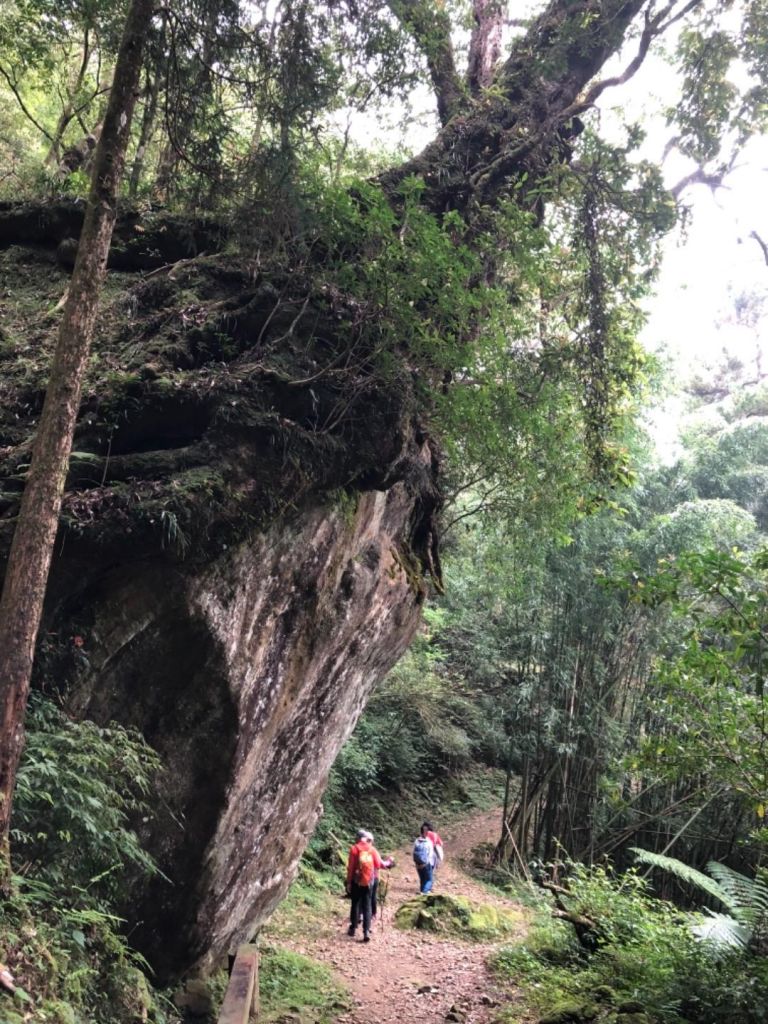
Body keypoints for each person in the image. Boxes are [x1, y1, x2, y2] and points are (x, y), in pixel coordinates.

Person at [346, 829, 393, 942]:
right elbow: (378, 864)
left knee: (355, 903)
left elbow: (351, 867)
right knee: (367, 905)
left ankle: (353, 928)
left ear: (358, 838)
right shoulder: (372, 849)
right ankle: (366, 931)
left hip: (356, 881)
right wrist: (390, 862)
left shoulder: (354, 849)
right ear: (367, 839)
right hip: (369, 882)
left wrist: (349, 882)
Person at [412, 829, 435, 894]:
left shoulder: (416, 841)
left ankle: (421, 893)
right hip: (426, 863)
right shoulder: (428, 842)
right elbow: (430, 854)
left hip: (417, 863)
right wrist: (426, 863)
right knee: (429, 880)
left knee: (422, 879)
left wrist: (416, 864)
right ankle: (424, 893)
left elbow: (413, 852)